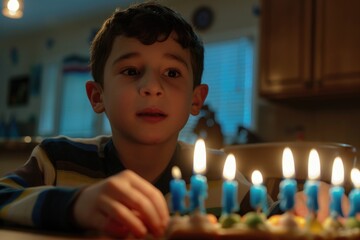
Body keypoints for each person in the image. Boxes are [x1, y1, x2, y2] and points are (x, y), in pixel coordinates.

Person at [0, 2, 347, 239]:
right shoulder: (58, 160)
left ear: (196, 99)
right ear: (97, 96)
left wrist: (311, 201)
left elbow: (271, 216)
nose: (151, 87)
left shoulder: (214, 173)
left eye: (171, 72)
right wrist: (76, 206)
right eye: (131, 70)